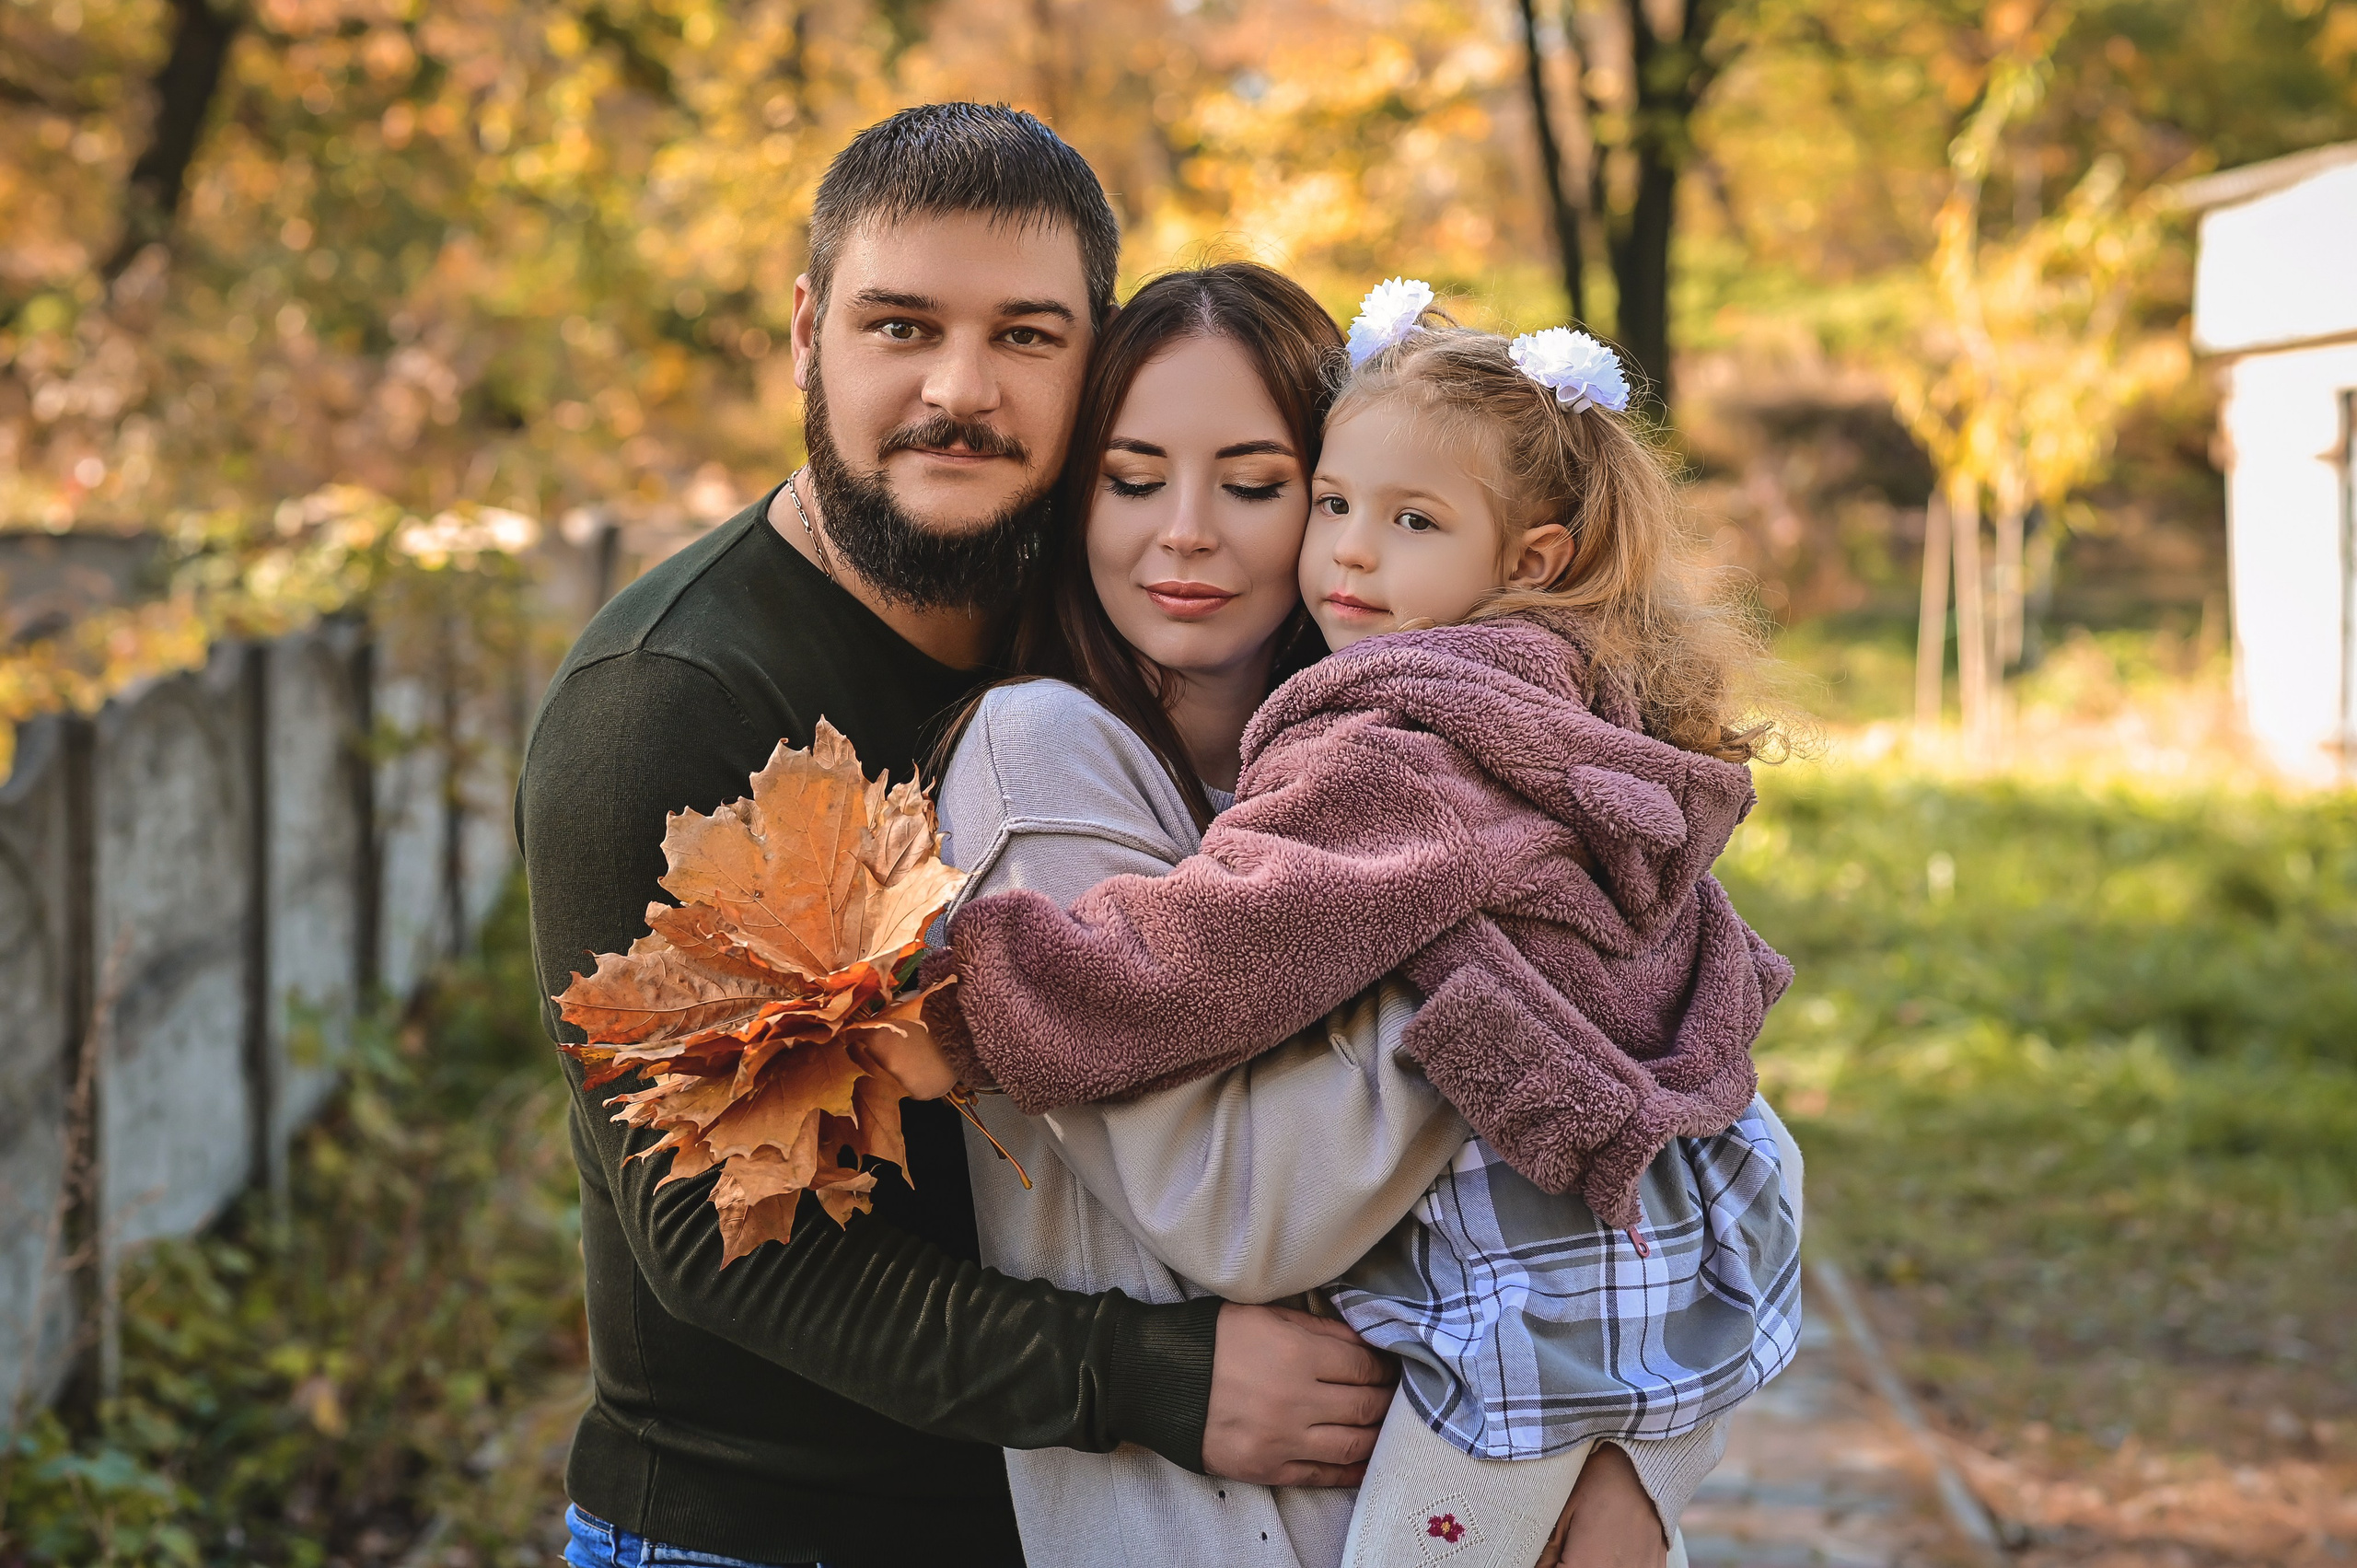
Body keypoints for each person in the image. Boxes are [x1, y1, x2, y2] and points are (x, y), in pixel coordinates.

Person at [517, 105, 1397, 1568]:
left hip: (1085, 1526)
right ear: (809, 333)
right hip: (773, 1534)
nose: (960, 389)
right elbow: (718, 1239)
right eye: (901, 326)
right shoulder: (666, 705)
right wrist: (1154, 1380)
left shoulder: (1114, 614)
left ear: (1093, 364)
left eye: (1026, 337)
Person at [879, 264, 1798, 1568]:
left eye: (1258, 486)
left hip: (1505, 1422)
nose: (1187, 532)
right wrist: (1494, 997)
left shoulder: (1429, 737)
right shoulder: (1052, 751)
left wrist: (1642, 1469)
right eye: (1132, 480)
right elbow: (1245, 1216)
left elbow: (1707, 1090)